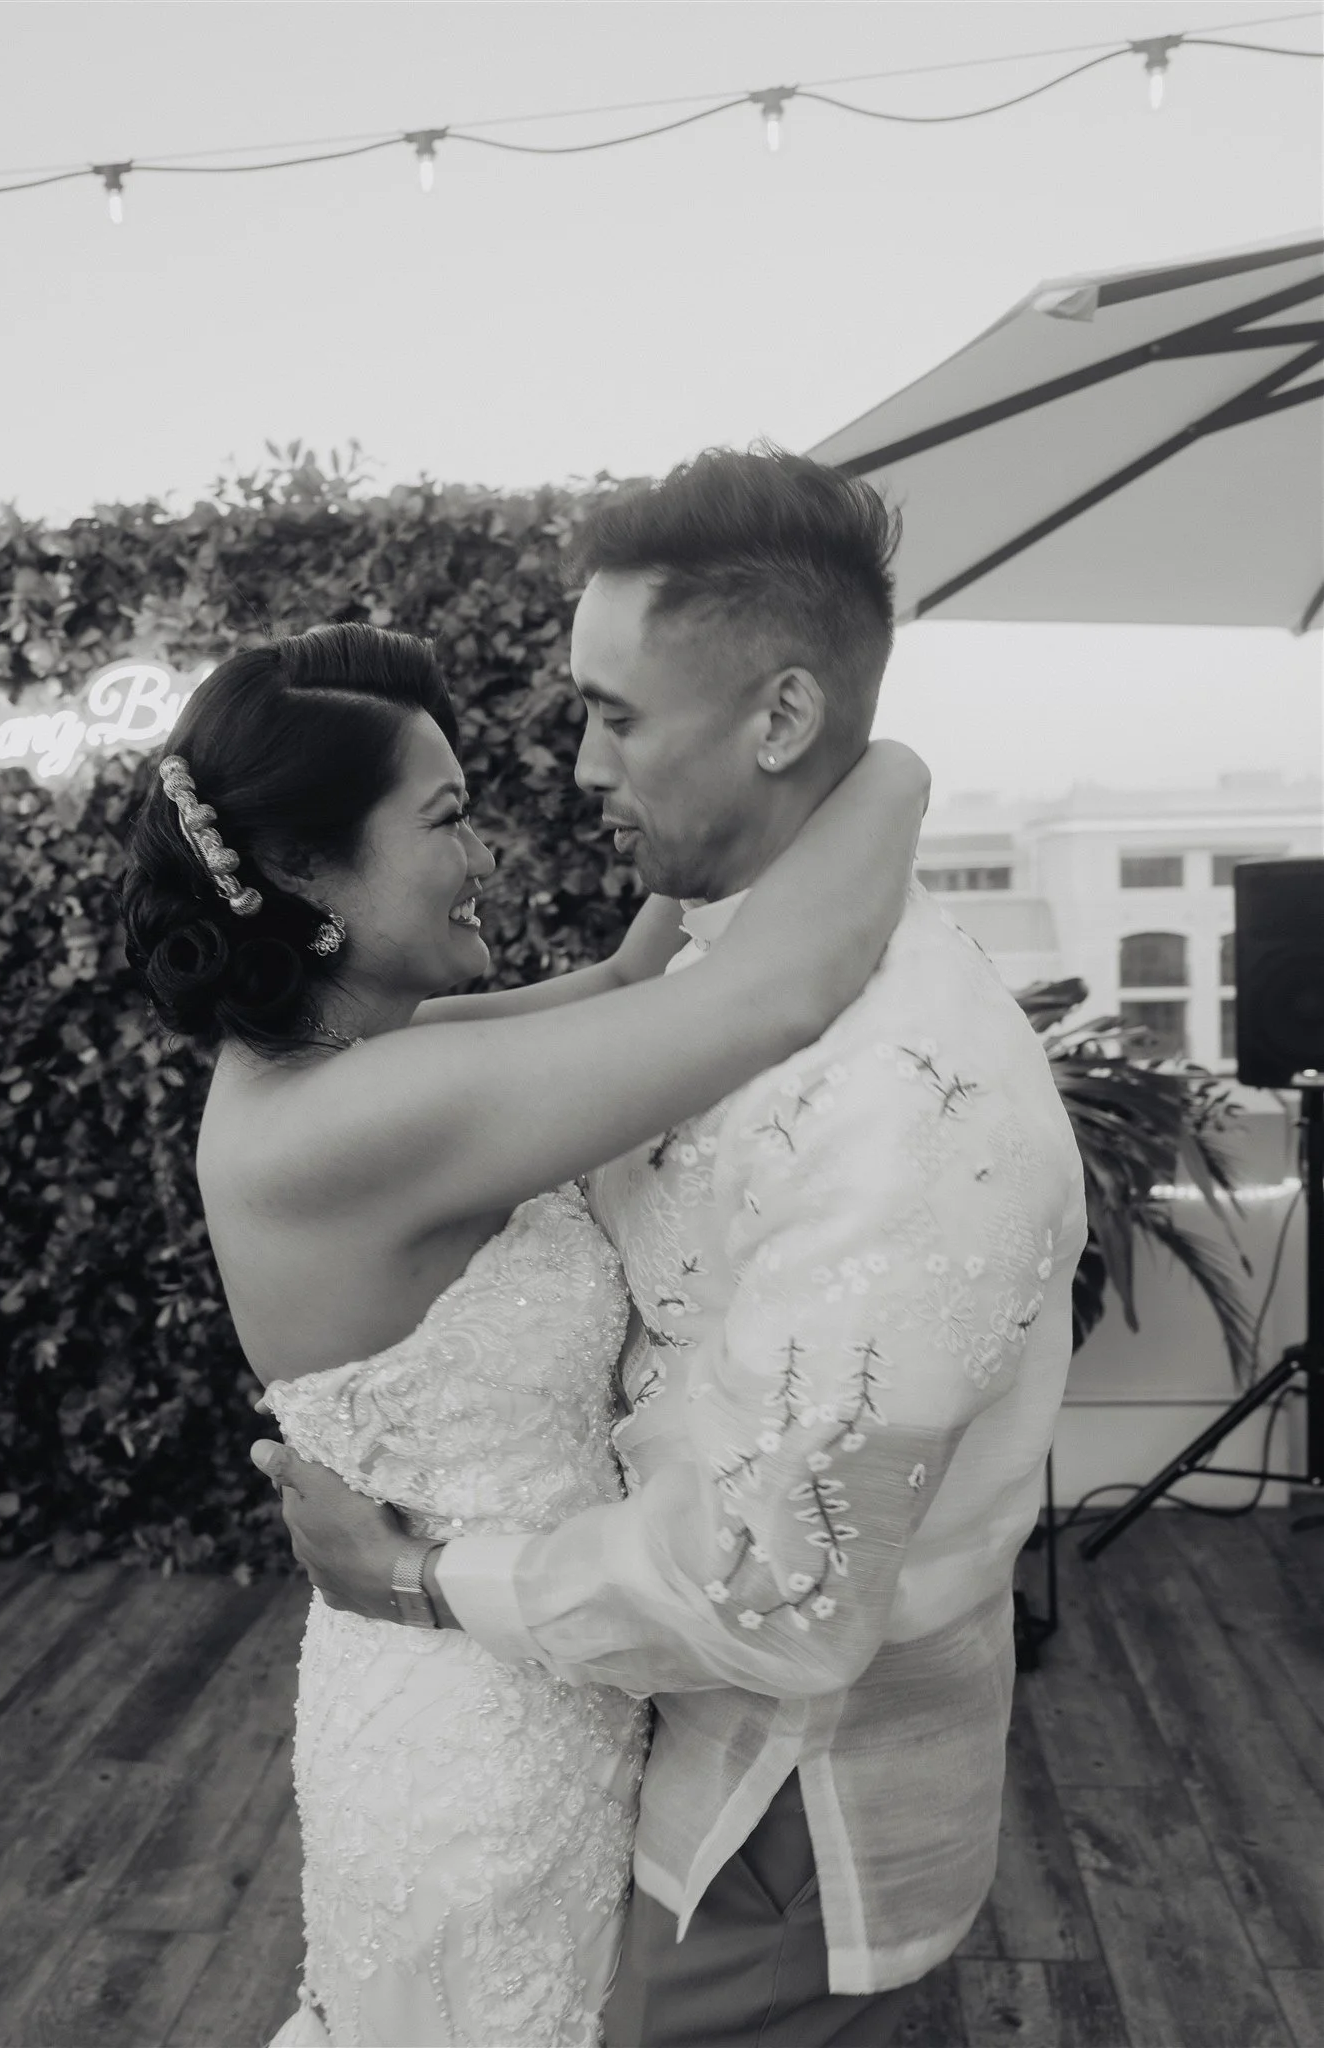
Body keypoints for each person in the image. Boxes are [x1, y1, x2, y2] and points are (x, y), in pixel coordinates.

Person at [262, 448, 1089, 2048]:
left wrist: (421, 1576)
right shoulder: (713, 963)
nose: (573, 768)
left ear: (778, 721)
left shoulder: (923, 1108)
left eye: (613, 715)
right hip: (604, 1728)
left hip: (783, 1810)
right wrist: (890, 771)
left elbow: (774, 1596)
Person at [120, 614, 929, 2048]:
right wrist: (885, 758)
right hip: (471, 1750)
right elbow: (779, 997)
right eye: (446, 818)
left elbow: (626, 992)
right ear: (306, 873)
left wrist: (727, 802)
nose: (484, 852)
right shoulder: (356, 1121)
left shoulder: (362, 1061)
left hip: (518, 1667)